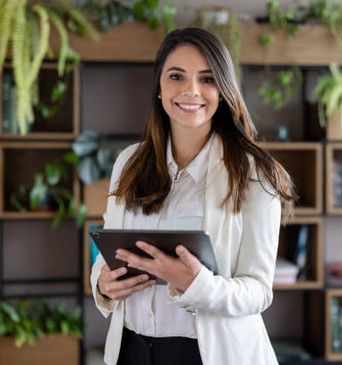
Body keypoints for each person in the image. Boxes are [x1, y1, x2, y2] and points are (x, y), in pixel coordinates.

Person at [91, 26, 296, 365]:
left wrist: (196, 284)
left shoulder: (255, 173)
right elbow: (108, 249)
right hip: (131, 351)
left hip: (207, 354)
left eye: (207, 79)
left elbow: (259, 291)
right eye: (176, 76)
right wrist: (102, 283)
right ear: (159, 85)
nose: (191, 90)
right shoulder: (129, 161)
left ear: (224, 89)